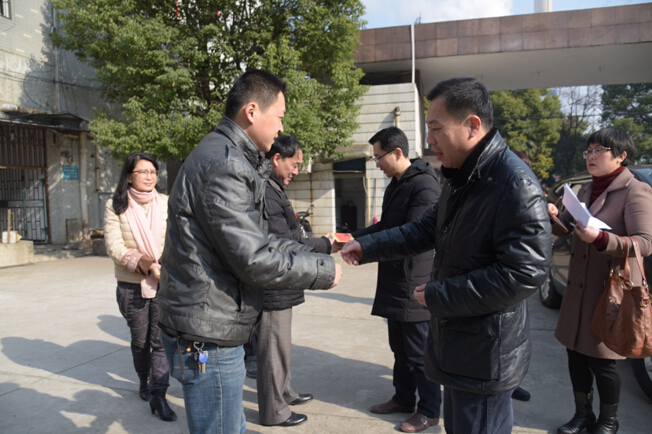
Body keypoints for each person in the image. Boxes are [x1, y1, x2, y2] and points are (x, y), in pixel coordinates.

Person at [341, 77, 552, 434]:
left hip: (485, 354)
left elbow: (524, 273)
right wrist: (369, 246)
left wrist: (441, 293)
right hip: (459, 346)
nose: (429, 140)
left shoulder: (514, 183)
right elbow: (425, 229)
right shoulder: (462, 177)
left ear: (472, 126)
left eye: (436, 128)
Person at [157, 69, 342, 434]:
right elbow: (254, 258)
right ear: (252, 111)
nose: (281, 128)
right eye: (280, 116)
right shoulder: (225, 163)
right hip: (208, 332)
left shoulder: (227, 156)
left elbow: (260, 240)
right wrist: (322, 270)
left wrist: (315, 257)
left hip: (211, 323)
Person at [548, 128, 652, 434]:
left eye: (598, 151)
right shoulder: (584, 190)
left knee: (603, 360)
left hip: (609, 289)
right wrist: (554, 216)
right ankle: (583, 414)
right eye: (588, 151)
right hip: (577, 287)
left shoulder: (635, 190)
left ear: (621, 156)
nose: (591, 157)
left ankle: (608, 421)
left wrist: (602, 239)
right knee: (575, 353)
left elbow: (645, 243)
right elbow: (566, 228)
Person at [343, 126, 443, 433]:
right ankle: (403, 398)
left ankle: (429, 410)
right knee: (399, 348)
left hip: (414, 281)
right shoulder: (397, 184)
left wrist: (365, 247)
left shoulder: (424, 185)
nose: (376, 163)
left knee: (419, 351)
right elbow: (386, 227)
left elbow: (411, 236)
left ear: (398, 152)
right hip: (395, 278)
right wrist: (351, 238)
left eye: (379, 157)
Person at [257, 135, 335, 427]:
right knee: (272, 347)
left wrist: (322, 243)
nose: (297, 170)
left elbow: (294, 234)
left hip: (283, 280)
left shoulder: (275, 187)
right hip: (274, 281)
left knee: (281, 346)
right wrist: (323, 247)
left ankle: (285, 392)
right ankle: (274, 411)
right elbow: (284, 240)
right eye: (295, 163)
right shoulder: (266, 191)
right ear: (277, 158)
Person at [104, 152, 177, 422]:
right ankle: (143, 379)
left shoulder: (167, 203)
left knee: (160, 342)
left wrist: (164, 267)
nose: (149, 176)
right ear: (129, 176)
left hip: (164, 283)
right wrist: (148, 266)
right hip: (132, 286)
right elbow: (114, 246)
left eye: (153, 172)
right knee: (140, 342)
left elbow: (177, 240)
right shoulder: (115, 206)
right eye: (142, 172)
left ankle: (159, 394)